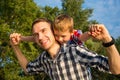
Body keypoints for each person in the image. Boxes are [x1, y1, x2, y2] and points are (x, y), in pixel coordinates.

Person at [10, 18, 120, 80]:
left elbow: (116, 69)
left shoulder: (75, 51)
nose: (40, 37)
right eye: (36, 34)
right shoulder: (44, 60)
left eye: (44, 31)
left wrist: (107, 39)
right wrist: (15, 46)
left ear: (54, 32)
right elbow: (27, 69)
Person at [21, 14, 90, 46]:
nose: (59, 39)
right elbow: (36, 38)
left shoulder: (74, 36)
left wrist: (91, 33)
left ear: (71, 32)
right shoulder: (57, 35)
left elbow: (82, 37)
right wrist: (22, 38)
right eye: (57, 35)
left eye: (63, 36)